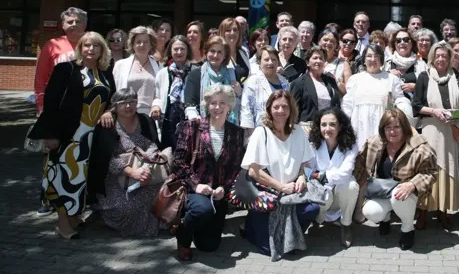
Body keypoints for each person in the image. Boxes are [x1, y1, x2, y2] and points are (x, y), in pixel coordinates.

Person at [28, 31, 115, 238]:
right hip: (68, 136)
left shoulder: (105, 73)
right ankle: (63, 224)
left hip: (92, 138)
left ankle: (74, 216)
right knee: (63, 178)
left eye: (95, 46)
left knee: (82, 180)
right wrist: (50, 134)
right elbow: (51, 104)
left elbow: (111, 99)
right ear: (80, 48)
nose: (90, 49)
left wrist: (109, 111)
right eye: (86, 45)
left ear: (102, 50)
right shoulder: (66, 69)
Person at [241, 91, 318, 259]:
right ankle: (251, 228)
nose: (281, 110)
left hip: (291, 192)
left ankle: (291, 234)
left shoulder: (298, 132)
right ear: (269, 109)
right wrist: (281, 187)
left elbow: (304, 163)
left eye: (285, 106)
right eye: (276, 107)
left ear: (291, 109)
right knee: (269, 249)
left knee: (313, 208)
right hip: (268, 194)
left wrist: (301, 177)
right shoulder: (261, 133)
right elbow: (254, 171)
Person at [174, 85, 245, 260]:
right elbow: (178, 162)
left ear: (230, 106)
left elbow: (236, 168)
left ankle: (197, 227)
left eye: (222, 103)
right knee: (202, 210)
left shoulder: (236, 133)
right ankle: (182, 235)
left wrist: (225, 188)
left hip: (218, 195)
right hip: (194, 190)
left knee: (209, 247)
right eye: (213, 103)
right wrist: (196, 185)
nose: (217, 107)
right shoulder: (192, 127)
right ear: (207, 105)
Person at [355, 108, 437, 250]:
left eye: (396, 127)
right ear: (382, 129)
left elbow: (431, 172)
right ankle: (385, 218)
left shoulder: (419, 147)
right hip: (382, 190)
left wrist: (412, 184)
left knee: (398, 195)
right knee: (370, 211)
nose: (392, 131)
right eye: (388, 127)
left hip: (406, 193)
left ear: (404, 127)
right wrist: (355, 182)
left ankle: (407, 229)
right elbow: (359, 163)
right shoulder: (374, 142)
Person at [412, 41, 459, 230]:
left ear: (450, 59)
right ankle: (423, 211)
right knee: (428, 169)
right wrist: (434, 111)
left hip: (450, 132)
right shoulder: (424, 77)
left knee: (448, 168)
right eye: (437, 56)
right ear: (432, 57)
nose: (441, 59)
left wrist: (455, 113)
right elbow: (416, 106)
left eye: (444, 56)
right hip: (431, 131)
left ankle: (443, 211)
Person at [89, 89, 164, 237]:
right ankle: (107, 220)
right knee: (126, 206)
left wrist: (146, 163)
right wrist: (131, 171)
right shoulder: (107, 125)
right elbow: (105, 157)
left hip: (146, 169)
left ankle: (162, 223)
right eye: (123, 103)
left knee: (162, 194)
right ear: (115, 106)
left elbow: (153, 144)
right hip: (117, 176)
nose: (128, 106)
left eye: (132, 102)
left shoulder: (145, 120)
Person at [308, 107, 360, 247]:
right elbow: (308, 171)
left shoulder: (351, 145)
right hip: (322, 193)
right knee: (325, 195)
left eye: (332, 124)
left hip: (341, 195)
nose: (327, 128)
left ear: (340, 126)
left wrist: (321, 175)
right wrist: (319, 177)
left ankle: (346, 225)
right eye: (323, 124)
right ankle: (317, 221)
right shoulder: (313, 144)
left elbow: (346, 173)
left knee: (351, 185)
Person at [343, 44, 412, 148]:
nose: (373, 59)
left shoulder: (391, 79)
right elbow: (347, 106)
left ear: (381, 59)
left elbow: (400, 99)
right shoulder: (355, 79)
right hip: (359, 127)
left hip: (382, 126)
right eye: (369, 56)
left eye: (376, 56)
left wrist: (403, 108)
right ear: (364, 60)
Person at [34, 7, 87, 115]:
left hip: (86, 102)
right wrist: (40, 105)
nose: (74, 24)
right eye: (70, 22)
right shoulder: (52, 45)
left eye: (78, 21)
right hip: (56, 101)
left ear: (85, 25)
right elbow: (40, 78)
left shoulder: (92, 44)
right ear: (63, 25)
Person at [184, 36, 241, 124]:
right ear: (206, 53)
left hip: (229, 127)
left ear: (225, 55)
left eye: (219, 52)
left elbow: (241, 103)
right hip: (203, 127)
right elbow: (190, 103)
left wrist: (239, 93)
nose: (215, 55)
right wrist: (195, 118)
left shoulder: (233, 74)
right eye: (212, 51)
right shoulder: (195, 75)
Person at [151, 35, 193, 149]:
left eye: (182, 49)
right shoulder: (163, 73)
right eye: (175, 49)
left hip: (190, 121)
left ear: (187, 50)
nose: (179, 52)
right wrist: (156, 106)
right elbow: (157, 96)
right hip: (168, 121)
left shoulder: (195, 72)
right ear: (170, 50)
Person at [111, 26, 162, 117]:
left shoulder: (159, 66)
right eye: (138, 42)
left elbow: (161, 93)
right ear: (132, 44)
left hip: (151, 116)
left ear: (151, 45)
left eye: (146, 42)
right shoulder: (120, 65)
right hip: (126, 115)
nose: (142, 45)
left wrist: (157, 105)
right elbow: (114, 92)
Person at [241, 46, 289, 132]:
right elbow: (246, 110)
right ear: (259, 62)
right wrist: (252, 135)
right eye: (266, 60)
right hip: (259, 132)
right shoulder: (253, 81)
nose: (270, 63)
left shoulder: (285, 83)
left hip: (280, 132)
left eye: (274, 59)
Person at [290, 46, 343, 124]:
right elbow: (293, 110)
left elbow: (337, 105)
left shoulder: (331, 81)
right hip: (307, 128)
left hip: (329, 127)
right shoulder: (298, 83)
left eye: (321, 58)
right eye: (315, 58)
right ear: (308, 62)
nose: (318, 61)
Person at [385, 28, 426, 100]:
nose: (402, 42)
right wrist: (386, 74)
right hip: (391, 108)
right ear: (394, 44)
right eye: (398, 40)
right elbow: (376, 81)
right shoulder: (386, 62)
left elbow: (430, 86)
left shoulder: (421, 64)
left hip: (414, 108)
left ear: (412, 43)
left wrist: (416, 87)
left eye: (406, 39)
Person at [219, 17, 250, 84]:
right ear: (222, 33)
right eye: (228, 30)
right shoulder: (218, 54)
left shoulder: (244, 51)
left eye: (235, 30)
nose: (232, 33)